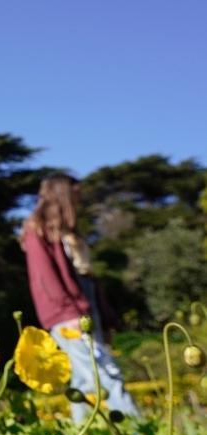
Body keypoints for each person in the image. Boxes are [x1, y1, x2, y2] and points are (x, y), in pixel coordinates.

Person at [20, 173, 138, 421]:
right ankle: (142, 434)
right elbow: (44, 278)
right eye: (76, 193)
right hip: (68, 315)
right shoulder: (37, 230)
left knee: (84, 379)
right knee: (106, 372)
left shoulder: (68, 233)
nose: (80, 198)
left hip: (85, 309)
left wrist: (105, 319)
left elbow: (89, 281)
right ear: (62, 193)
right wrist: (69, 313)